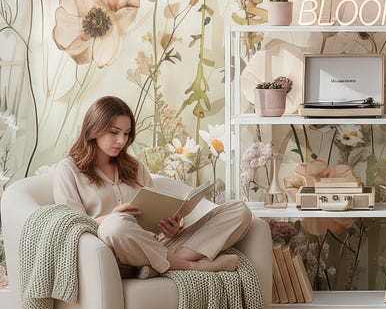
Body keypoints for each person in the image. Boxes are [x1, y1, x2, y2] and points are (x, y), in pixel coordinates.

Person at [52, 96, 252, 278]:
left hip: (158, 245)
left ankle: (161, 264)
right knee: (116, 226)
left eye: (126, 133)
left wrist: (171, 229)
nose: (121, 141)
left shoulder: (133, 166)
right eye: (114, 132)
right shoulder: (68, 170)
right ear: (93, 129)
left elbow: (154, 215)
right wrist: (111, 216)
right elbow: (72, 227)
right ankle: (190, 266)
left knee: (239, 210)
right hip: (113, 251)